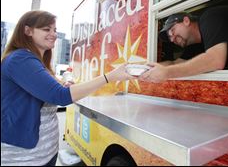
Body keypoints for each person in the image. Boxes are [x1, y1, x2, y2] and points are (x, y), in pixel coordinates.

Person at [1, 10, 134, 166]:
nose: (53, 34)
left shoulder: (36, 61)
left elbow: (53, 90)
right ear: (27, 31)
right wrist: (109, 77)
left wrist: (64, 84)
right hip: (24, 158)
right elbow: (61, 96)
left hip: (44, 153)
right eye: (46, 29)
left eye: (55, 30)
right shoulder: (20, 59)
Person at [140, 5, 228, 83]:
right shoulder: (193, 45)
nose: (172, 38)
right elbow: (175, 63)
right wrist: (146, 69)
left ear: (186, 21)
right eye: (169, 38)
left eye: (172, 31)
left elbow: (215, 60)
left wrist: (167, 73)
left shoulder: (210, 18)